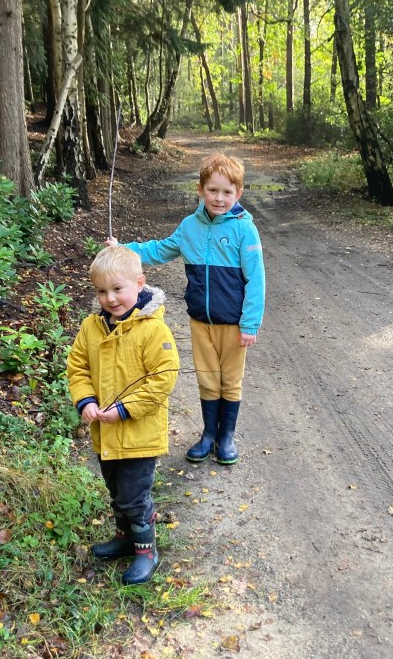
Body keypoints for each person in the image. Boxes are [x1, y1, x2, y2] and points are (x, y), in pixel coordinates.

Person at [105, 153, 264, 465]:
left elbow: (256, 280)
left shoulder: (245, 230)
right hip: (200, 322)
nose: (219, 198)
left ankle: (225, 436)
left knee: (229, 380)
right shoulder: (189, 227)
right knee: (207, 378)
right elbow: (160, 249)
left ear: (238, 194)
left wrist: (250, 324)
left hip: (233, 324)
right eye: (213, 190)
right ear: (200, 190)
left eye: (227, 192)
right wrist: (125, 249)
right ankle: (207, 434)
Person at [66, 245, 179, 585]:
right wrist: (85, 400)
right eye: (102, 291)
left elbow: (163, 377)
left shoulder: (152, 330)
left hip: (139, 434)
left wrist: (125, 409)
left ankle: (146, 549)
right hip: (105, 432)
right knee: (116, 489)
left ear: (140, 284)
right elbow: (78, 366)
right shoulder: (92, 327)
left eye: (118, 289)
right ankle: (124, 536)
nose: (110, 298)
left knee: (134, 494)